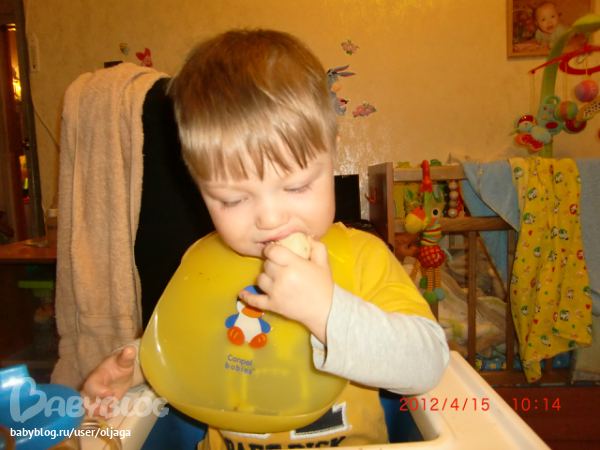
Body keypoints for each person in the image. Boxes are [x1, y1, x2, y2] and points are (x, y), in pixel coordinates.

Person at [81, 29, 449, 449]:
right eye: (233, 199)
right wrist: (138, 370)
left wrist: (327, 311)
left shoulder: (363, 257)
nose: (271, 219)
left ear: (332, 153)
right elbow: (192, 343)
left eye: (296, 186)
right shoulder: (203, 261)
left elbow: (427, 364)